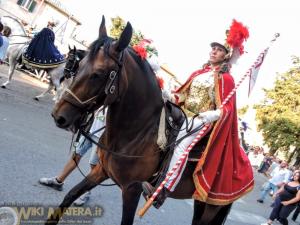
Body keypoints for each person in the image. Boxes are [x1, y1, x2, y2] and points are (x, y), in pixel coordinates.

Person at [142, 19, 254, 208]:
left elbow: (227, 109)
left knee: (180, 146)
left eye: (218, 49)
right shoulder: (198, 73)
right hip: (183, 113)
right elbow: (182, 95)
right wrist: (169, 96)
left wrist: (213, 114)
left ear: (226, 56)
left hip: (201, 120)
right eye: (213, 48)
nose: (213, 51)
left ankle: (163, 191)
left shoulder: (226, 78)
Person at [39, 108, 106, 205]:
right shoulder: (103, 97)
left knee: (94, 165)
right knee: (75, 156)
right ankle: (58, 181)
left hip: (102, 138)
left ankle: (86, 192)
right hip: (89, 131)